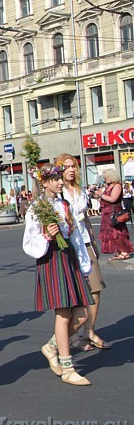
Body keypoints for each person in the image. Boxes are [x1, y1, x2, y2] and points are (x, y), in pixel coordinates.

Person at [23, 164, 93, 386]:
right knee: (63, 315)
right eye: (55, 179)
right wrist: (47, 236)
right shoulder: (37, 208)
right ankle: (67, 367)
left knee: (81, 315)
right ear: (44, 182)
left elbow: (76, 236)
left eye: (60, 178)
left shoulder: (64, 204)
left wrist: (83, 262)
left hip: (68, 257)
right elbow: (29, 243)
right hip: (52, 259)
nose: (60, 182)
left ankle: (51, 346)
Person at [56, 154, 110, 351]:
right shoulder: (59, 191)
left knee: (95, 288)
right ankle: (67, 338)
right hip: (68, 245)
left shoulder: (79, 190)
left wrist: (93, 241)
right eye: (66, 166)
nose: (71, 169)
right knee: (73, 295)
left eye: (73, 166)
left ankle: (89, 331)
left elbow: (84, 218)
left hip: (85, 243)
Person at [96, 169, 134, 260]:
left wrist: (101, 195)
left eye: (106, 177)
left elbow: (113, 199)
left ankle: (124, 251)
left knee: (118, 233)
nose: (105, 179)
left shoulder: (117, 185)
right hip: (106, 213)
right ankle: (119, 251)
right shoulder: (108, 186)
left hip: (114, 212)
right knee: (110, 234)